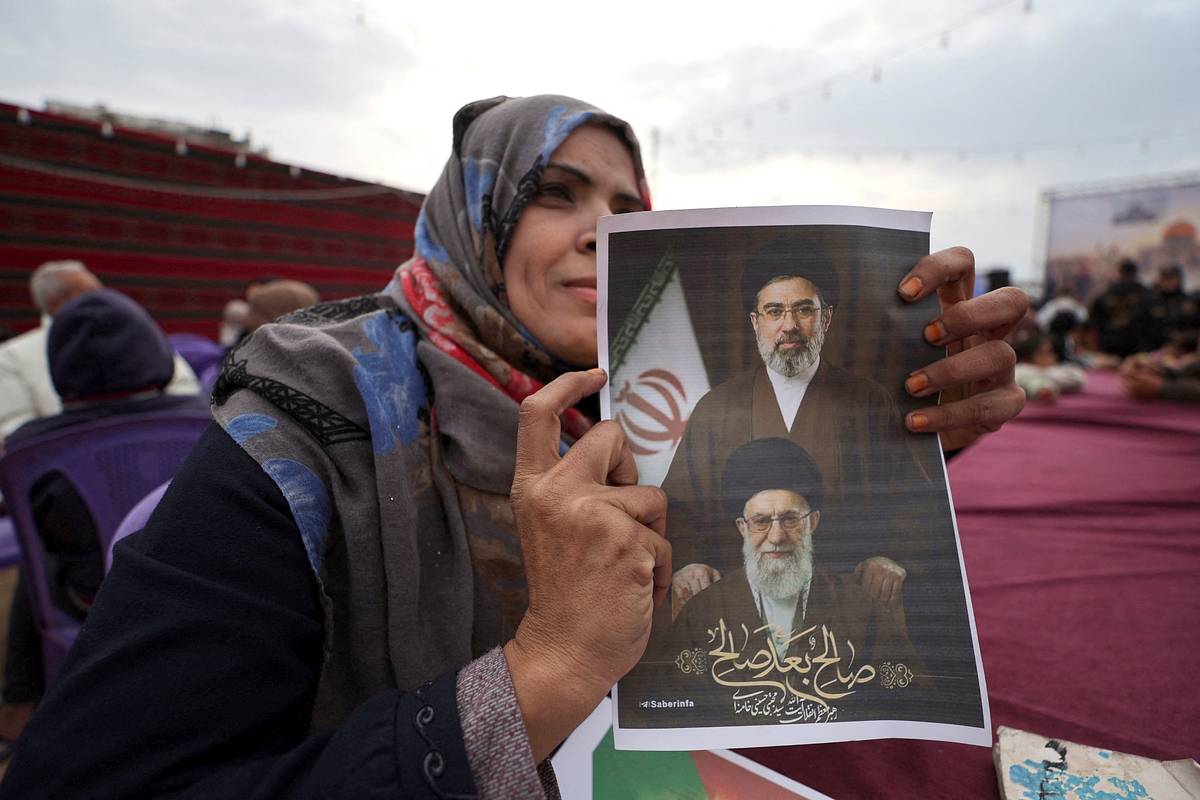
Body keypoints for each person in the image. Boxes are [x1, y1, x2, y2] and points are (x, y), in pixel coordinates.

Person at [0, 95, 1027, 799]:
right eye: (556, 193)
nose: (602, 229)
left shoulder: (638, 413)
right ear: (473, 219)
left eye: (627, 208)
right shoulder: (316, 425)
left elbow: (749, 532)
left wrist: (909, 439)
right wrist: (548, 668)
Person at [663, 241, 1024, 609]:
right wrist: (689, 562)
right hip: (737, 613)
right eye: (774, 311)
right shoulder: (716, 408)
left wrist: (890, 557)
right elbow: (679, 509)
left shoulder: (868, 401)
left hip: (851, 608)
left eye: (804, 309)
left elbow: (912, 504)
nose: (789, 326)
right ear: (756, 322)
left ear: (826, 318)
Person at [0, 290, 210, 744]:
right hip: (195, 584)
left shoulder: (31, 447)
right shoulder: (208, 421)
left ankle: (21, 703)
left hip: (92, 596)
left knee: (37, 565)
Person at [670, 437, 926, 723]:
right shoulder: (704, 611)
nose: (777, 537)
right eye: (761, 521)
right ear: (742, 528)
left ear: (812, 522)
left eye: (791, 519)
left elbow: (909, 697)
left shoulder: (860, 606)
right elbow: (677, 703)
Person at [0, 261, 200, 438]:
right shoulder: (12, 356)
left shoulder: (141, 336)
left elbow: (184, 387)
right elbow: (13, 429)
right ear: (54, 303)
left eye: (99, 291)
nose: (98, 301)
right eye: (86, 293)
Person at [1088, 258, 1153, 357]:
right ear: (1135, 272)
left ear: (1119, 272)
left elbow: (1094, 321)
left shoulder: (1106, 293)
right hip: (1139, 345)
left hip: (1110, 343)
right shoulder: (1147, 293)